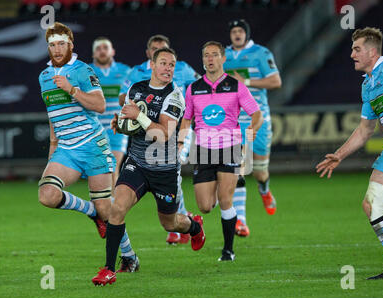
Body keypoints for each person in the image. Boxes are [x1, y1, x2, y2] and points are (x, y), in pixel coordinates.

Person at [91, 47, 205, 286]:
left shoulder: (174, 96)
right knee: (117, 209)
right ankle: (109, 269)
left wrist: (138, 117)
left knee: (170, 223)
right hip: (137, 164)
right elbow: (130, 123)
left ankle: (194, 227)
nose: (168, 68)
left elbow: (163, 134)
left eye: (172, 65)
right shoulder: (136, 89)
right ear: (151, 65)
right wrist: (119, 124)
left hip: (164, 169)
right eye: (163, 63)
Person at [316, 27, 383, 280]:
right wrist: (339, 155)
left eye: (356, 49)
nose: (352, 54)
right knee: (371, 205)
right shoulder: (368, 85)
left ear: (372, 51)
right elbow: (365, 130)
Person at [180, 41, 262, 261]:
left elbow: (257, 114)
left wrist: (249, 135)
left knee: (226, 199)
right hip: (203, 150)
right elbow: (186, 120)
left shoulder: (236, 86)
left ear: (223, 58)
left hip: (230, 147)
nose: (210, 59)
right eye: (206, 55)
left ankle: (228, 250)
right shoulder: (194, 88)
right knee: (205, 207)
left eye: (215, 55)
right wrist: (181, 144)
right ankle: (222, 184)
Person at [120, 34, 200, 245]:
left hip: (177, 127)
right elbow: (123, 97)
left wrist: (189, 114)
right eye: (158, 53)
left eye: (169, 62)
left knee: (172, 165)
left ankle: (179, 221)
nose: (167, 67)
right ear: (150, 57)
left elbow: (199, 87)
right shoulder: (137, 73)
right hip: (147, 134)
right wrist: (131, 114)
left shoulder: (182, 69)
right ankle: (183, 220)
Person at [38, 22, 114, 243]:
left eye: (62, 43)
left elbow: (100, 105)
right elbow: (52, 113)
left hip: (92, 145)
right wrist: (53, 148)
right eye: (53, 45)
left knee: (106, 210)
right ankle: (92, 213)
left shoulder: (83, 70)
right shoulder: (44, 76)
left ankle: (129, 256)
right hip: (67, 148)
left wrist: (72, 89)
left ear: (70, 44)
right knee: (47, 195)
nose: (58, 49)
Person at [224, 19, 282, 237]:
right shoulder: (223, 55)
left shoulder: (260, 53)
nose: (237, 34)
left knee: (259, 171)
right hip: (233, 121)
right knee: (238, 167)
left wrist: (245, 83)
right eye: (234, 31)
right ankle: (241, 222)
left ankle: (264, 190)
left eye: (240, 31)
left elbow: (276, 81)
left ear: (246, 33)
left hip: (258, 119)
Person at [89, 37, 140, 272]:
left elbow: (133, 97)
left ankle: (109, 214)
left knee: (112, 171)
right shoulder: (86, 72)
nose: (101, 50)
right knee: (100, 187)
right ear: (93, 53)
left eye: (105, 47)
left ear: (113, 51)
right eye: (97, 48)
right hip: (91, 133)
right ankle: (104, 213)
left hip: (116, 131)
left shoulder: (125, 72)